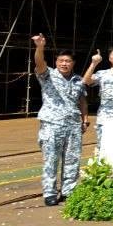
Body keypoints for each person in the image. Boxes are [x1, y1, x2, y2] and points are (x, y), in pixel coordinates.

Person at [31, 35, 87, 206]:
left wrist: (84, 119)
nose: (64, 63)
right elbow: (39, 63)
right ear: (56, 62)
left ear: (73, 63)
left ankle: (69, 190)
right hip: (52, 124)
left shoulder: (78, 80)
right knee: (51, 159)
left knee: (72, 159)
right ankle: (49, 192)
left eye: (68, 61)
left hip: (73, 125)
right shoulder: (47, 75)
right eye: (61, 60)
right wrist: (40, 47)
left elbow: (82, 101)